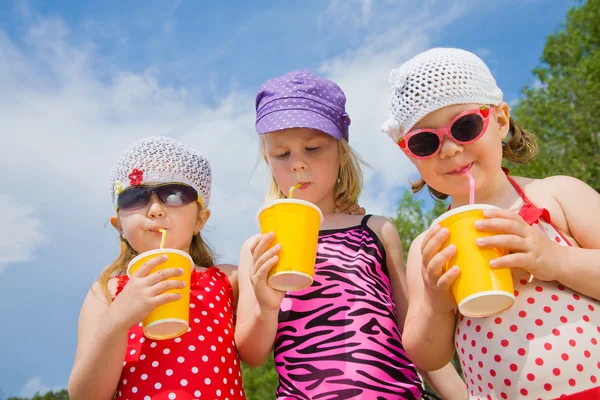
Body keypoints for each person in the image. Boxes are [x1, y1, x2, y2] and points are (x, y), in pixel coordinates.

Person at [381, 47, 600, 399]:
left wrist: (557, 260)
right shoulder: (429, 246)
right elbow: (426, 355)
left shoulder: (556, 195)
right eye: (425, 141)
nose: (450, 149)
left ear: (499, 121)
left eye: (465, 125)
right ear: (411, 155)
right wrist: (438, 305)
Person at [236, 70, 466, 399]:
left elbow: (413, 331)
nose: (298, 164)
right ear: (267, 159)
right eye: (282, 154)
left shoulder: (375, 230)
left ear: (341, 151)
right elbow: (253, 354)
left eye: (313, 148)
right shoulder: (257, 248)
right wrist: (267, 305)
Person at [68, 136, 245, 400]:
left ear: (200, 219)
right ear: (119, 226)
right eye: (135, 197)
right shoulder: (107, 292)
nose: (155, 209)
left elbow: (258, 352)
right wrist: (117, 321)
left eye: (174, 194)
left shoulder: (228, 280)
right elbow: (85, 396)